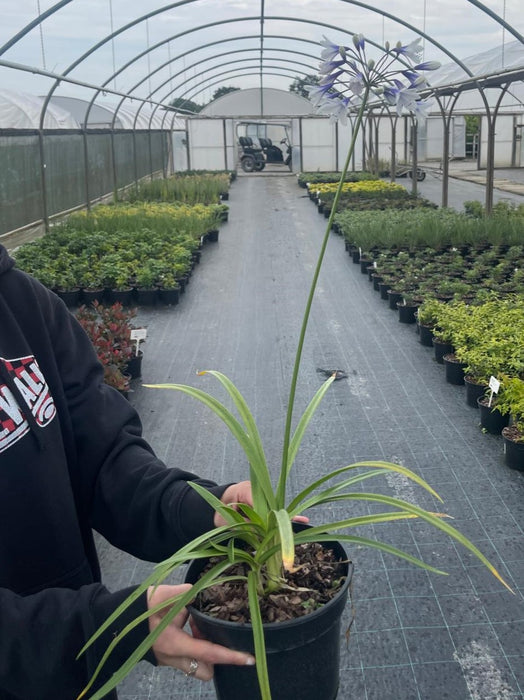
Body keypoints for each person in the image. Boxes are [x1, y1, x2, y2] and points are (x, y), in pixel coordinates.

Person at [0, 243, 255, 700]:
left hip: (79, 680)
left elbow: (104, 459)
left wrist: (205, 509)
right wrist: (105, 626)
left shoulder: (22, 304)